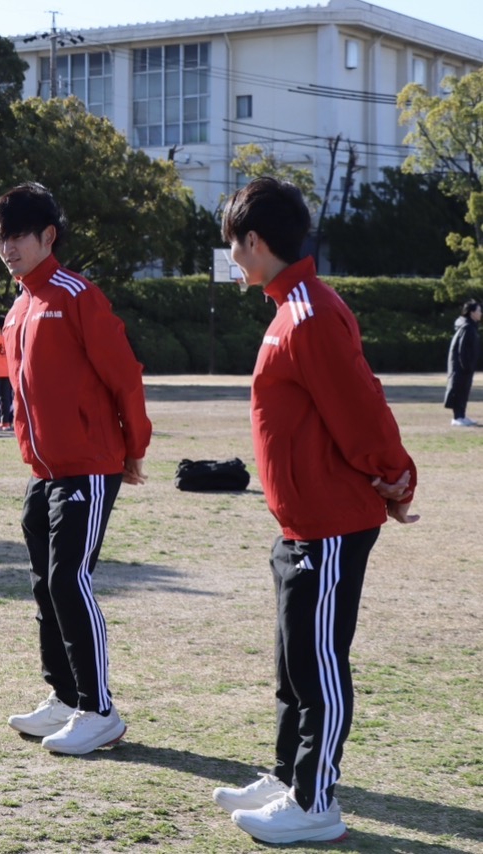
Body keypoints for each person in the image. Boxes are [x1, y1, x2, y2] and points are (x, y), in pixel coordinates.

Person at [211, 176, 419, 845]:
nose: (232, 257)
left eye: (233, 245)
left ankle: (314, 802)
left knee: (318, 663)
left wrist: (397, 479)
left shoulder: (309, 313)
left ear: (255, 241)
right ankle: (288, 777)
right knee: (294, 661)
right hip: (300, 525)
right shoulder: (289, 307)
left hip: (330, 525)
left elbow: (362, 409)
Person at [0, 182, 151, 756]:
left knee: (68, 579)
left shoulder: (77, 294)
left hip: (88, 465)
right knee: (44, 581)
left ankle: (99, 710)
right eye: (0, 238)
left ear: (48, 235)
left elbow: (124, 374)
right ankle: (64, 695)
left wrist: (134, 447)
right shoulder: (18, 307)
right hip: (44, 470)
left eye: (17, 236)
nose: (7, 248)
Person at [444, 299, 480, 426]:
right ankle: (457, 417)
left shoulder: (471, 326)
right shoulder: (466, 328)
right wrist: (466, 365)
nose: (481, 313)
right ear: (472, 313)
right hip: (461, 367)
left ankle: (462, 416)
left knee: (464, 391)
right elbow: (462, 349)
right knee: (459, 390)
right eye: (479, 310)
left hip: (466, 367)